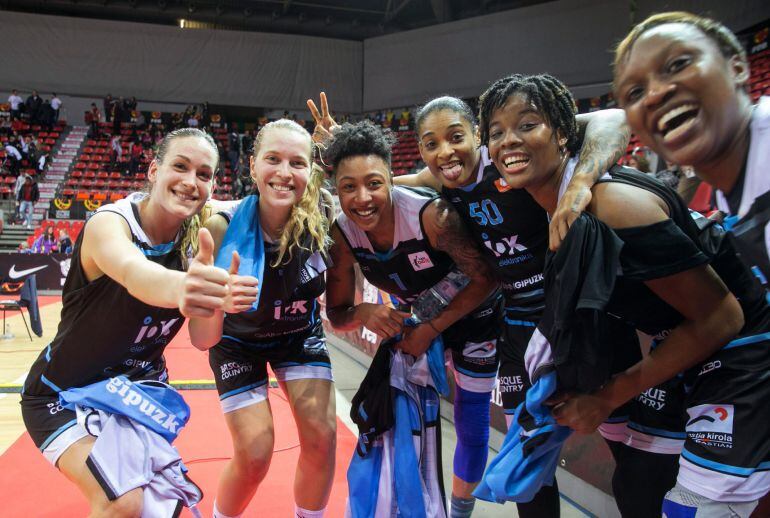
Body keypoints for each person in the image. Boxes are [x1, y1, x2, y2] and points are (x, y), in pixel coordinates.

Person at [310, 91, 629, 517]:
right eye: (431, 144)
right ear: (422, 153)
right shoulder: (429, 184)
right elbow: (367, 190)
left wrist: (580, 185)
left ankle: (460, 509)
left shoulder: (510, 158)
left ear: (478, 135)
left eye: (456, 137)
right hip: (511, 316)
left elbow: (614, 118)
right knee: (523, 444)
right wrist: (340, 154)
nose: (445, 152)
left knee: (615, 437)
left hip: (541, 308)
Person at [480, 72, 770, 517]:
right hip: (682, 341)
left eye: (527, 124)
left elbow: (721, 318)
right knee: (636, 488)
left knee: (691, 509)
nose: (508, 142)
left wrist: (606, 398)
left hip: (744, 343)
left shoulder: (610, 205)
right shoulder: (548, 202)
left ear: (562, 134)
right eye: (496, 133)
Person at [20, 127, 255, 516]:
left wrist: (216, 301)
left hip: (136, 395)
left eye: (203, 174)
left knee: (157, 508)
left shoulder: (200, 236)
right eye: (180, 166)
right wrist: (189, 285)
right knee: (122, 500)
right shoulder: (110, 224)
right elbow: (135, 274)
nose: (190, 181)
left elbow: (203, 339)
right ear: (152, 170)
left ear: (213, 185)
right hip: (64, 392)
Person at [320, 120, 500, 517]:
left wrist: (431, 328)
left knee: (470, 420)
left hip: (474, 316)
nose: (363, 198)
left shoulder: (430, 216)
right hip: (416, 324)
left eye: (374, 184)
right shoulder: (343, 235)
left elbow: (486, 277)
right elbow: (336, 314)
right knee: (405, 425)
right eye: (348, 187)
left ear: (391, 179)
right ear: (337, 190)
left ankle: (459, 510)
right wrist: (364, 311)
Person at [199, 119, 336, 518]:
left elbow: (383, 182)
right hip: (237, 342)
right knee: (256, 454)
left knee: (322, 438)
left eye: (297, 162)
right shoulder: (220, 226)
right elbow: (201, 333)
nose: (283, 172)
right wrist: (219, 302)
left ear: (311, 171)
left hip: (297, 333)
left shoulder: (325, 215)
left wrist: (337, 150)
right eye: (272, 159)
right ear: (253, 166)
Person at [614, 11, 770, 293]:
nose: (654, 94)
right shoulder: (733, 181)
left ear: (737, 68)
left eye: (678, 64)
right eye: (635, 93)